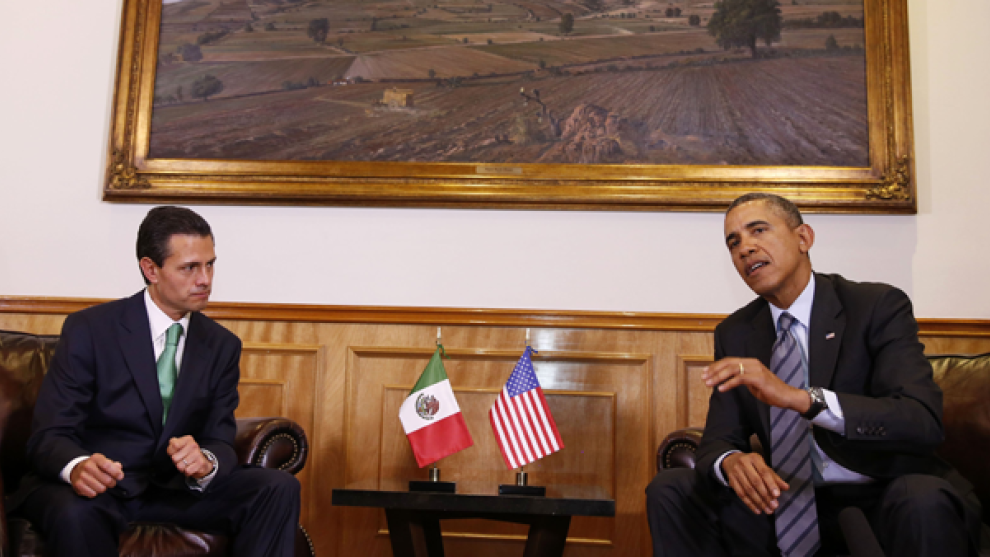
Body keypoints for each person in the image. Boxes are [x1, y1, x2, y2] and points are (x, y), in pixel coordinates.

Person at [646, 193, 981, 556]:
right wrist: (730, 460)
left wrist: (802, 399)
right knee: (673, 488)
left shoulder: (875, 307)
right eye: (734, 242)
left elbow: (920, 419)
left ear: (803, 238)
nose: (745, 248)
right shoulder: (736, 332)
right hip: (782, 500)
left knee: (921, 498)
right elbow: (718, 438)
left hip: (879, 494)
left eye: (758, 230)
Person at [6, 206, 301, 556]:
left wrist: (206, 461)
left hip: (171, 490)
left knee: (276, 487)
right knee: (75, 512)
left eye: (210, 264)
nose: (205, 279)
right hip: (98, 488)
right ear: (151, 269)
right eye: (190, 267)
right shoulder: (90, 330)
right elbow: (50, 434)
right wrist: (77, 467)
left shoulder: (221, 345)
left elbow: (219, 437)